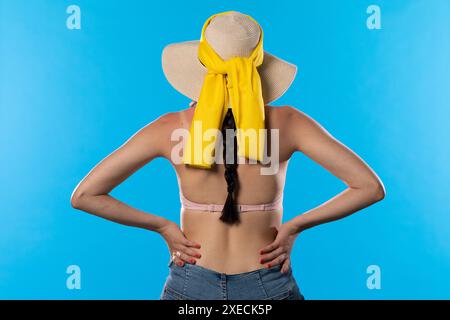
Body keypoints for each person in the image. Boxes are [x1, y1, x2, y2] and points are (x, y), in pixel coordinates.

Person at [70, 11, 385, 300]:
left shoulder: (169, 127)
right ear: (258, 65)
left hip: (189, 286)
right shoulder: (289, 123)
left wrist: (162, 226)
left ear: (202, 66)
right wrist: (295, 226)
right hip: (268, 286)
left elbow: (85, 195)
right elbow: (369, 187)